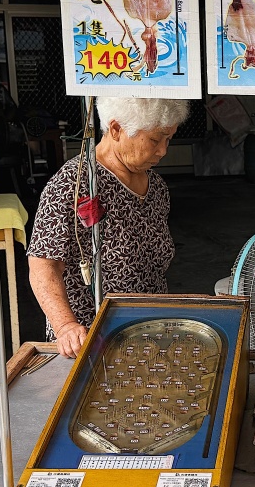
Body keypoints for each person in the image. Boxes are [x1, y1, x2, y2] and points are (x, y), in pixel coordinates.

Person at [27, 97, 190, 357]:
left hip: (150, 335)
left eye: (168, 139)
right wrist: (66, 327)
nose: (163, 151)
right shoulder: (74, 184)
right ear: (116, 129)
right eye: (154, 140)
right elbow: (43, 265)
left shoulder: (156, 187)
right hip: (90, 342)